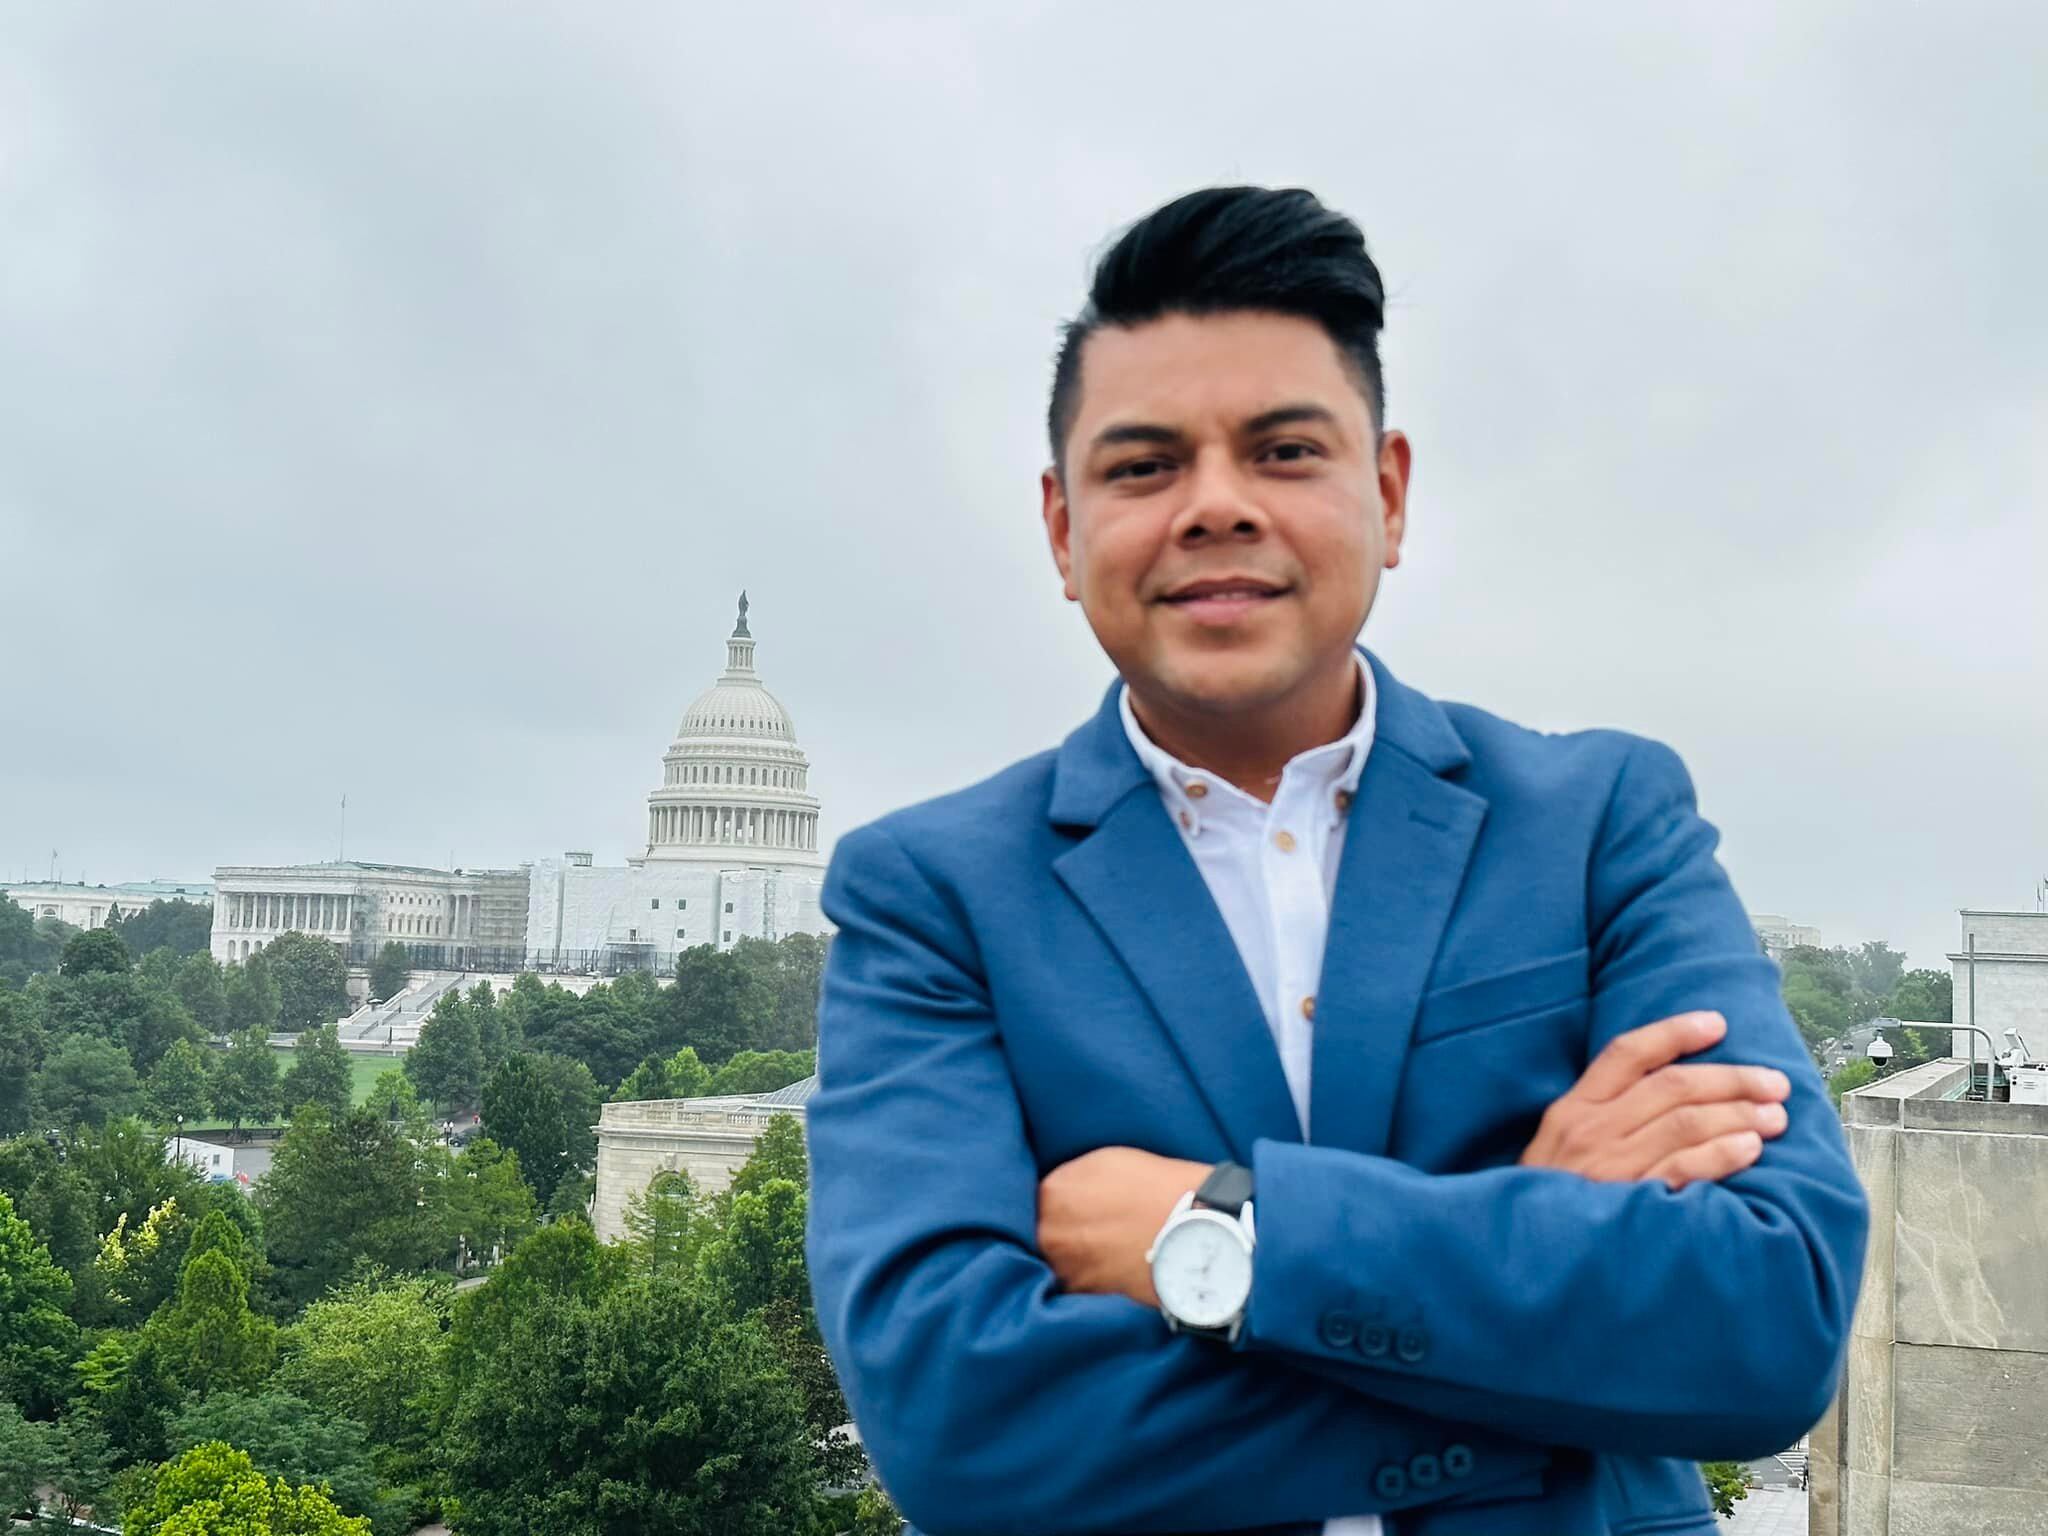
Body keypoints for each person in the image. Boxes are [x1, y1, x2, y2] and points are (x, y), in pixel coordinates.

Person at [804, 186, 1868, 1536]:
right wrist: (1532, 1250)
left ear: (1389, 494)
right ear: (1064, 532)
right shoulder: (935, 897)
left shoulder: (1600, 820)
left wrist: (1229, 1238)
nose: (1215, 507)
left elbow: (1766, 1324)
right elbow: (962, 1426)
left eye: (1283, 451)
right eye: (1142, 467)